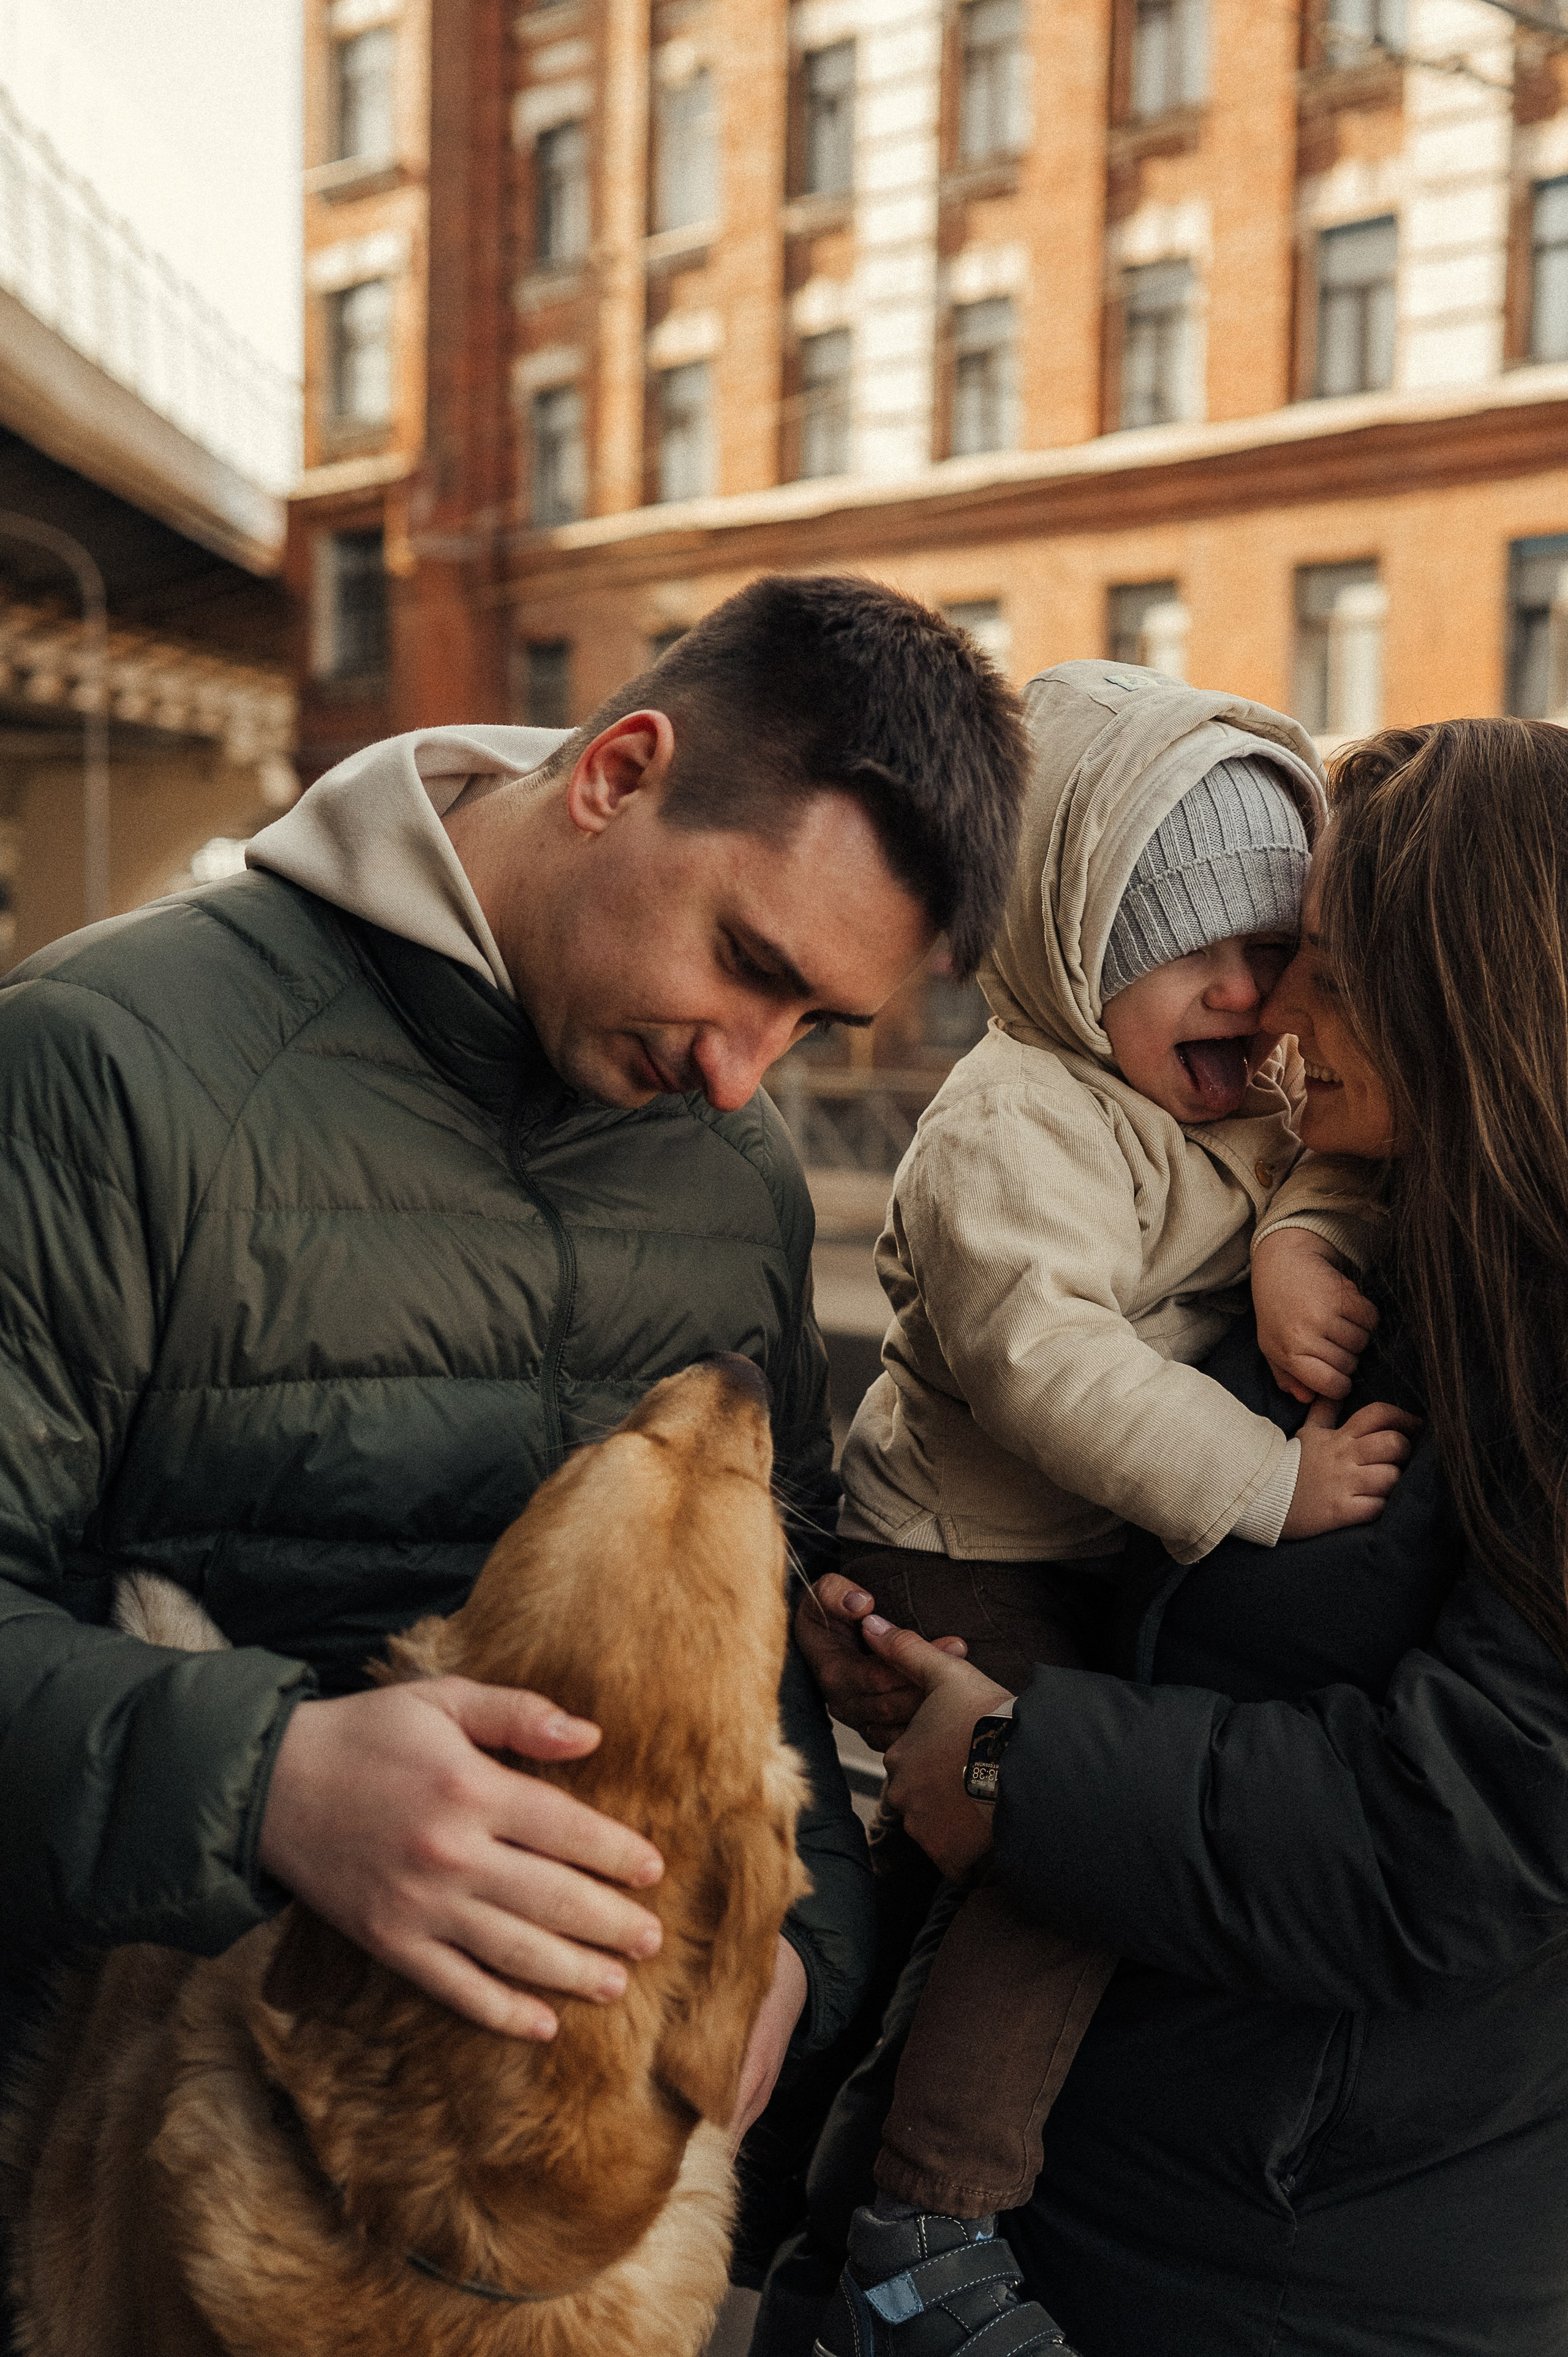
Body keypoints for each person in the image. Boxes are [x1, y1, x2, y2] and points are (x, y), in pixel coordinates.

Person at [0, 577, 1028, 2206]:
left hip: (558, 2226)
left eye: (815, 1023)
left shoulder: (738, 1169)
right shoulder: (95, 1065)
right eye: (743, 961)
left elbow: (741, 1659)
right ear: (617, 773)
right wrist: (268, 1784)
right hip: (142, 2201)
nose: (745, 1073)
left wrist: (791, 1953)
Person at [786, 715, 1568, 2357]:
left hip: (1294, 2274)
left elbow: (1469, 1829)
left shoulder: (1525, 1325)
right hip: (1137, 2198)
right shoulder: (1394, 1240)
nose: (1279, 1010)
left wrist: (1017, 1765)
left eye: (1327, 975)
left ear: (1467, 999)